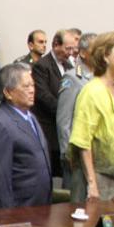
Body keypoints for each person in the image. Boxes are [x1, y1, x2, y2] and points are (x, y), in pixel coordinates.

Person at [68, 30, 114, 202]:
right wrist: (92, 184)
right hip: (97, 178)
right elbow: (82, 140)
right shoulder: (92, 91)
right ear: (106, 56)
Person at [0, 63, 53, 208]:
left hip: (40, 208)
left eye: (33, 85)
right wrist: (8, 219)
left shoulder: (31, 117)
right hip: (17, 210)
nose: (32, 90)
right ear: (8, 93)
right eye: (26, 86)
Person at [32, 29, 78, 176]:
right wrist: (66, 110)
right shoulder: (42, 66)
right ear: (56, 45)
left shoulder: (70, 67)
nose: (70, 52)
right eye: (67, 48)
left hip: (65, 130)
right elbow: (44, 96)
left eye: (73, 48)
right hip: (49, 130)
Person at [56, 32, 97, 193]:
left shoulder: (100, 78)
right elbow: (64, 120)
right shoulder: (72, 78)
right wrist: (68, 154)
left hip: (95, 155)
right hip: (77, 155)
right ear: (83, 53)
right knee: (77, 203)